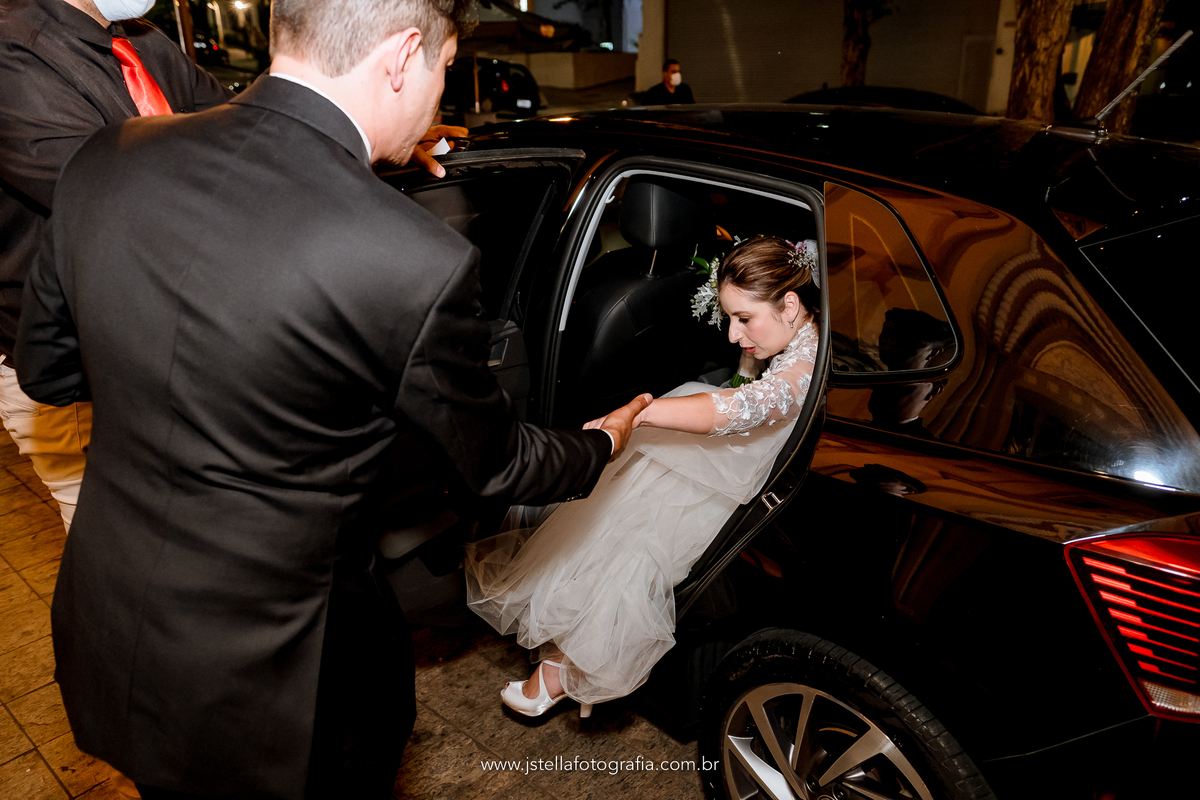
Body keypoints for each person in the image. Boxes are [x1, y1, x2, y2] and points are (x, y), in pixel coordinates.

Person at [14, 0, 649, 798]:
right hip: (283, 681)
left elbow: (48, 373)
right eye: (445, 69)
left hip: (113, 626)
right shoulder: (413, 257)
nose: (438, 96)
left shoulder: (106, 157)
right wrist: (604, 443)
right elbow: (496, 466)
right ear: (402, 54)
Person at [464, 235, 820, 716]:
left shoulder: (803, 368)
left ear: (791, 304)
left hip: (753, 466)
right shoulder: (806, 332)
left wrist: (638, 414)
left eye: (744, 319)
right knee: (627, 504)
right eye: (730, 318)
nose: (734, 334)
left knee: (635, 521)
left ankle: (567, 668)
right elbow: (746, 381)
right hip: (750, 449)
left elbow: (741, 407)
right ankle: (567, 663)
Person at [0, 0, 232, 530]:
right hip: (73, 369)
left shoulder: (143, 39)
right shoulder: (12, 51)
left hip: (163, 349)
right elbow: (115, 188)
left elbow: (235, 128)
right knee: (122, 551)